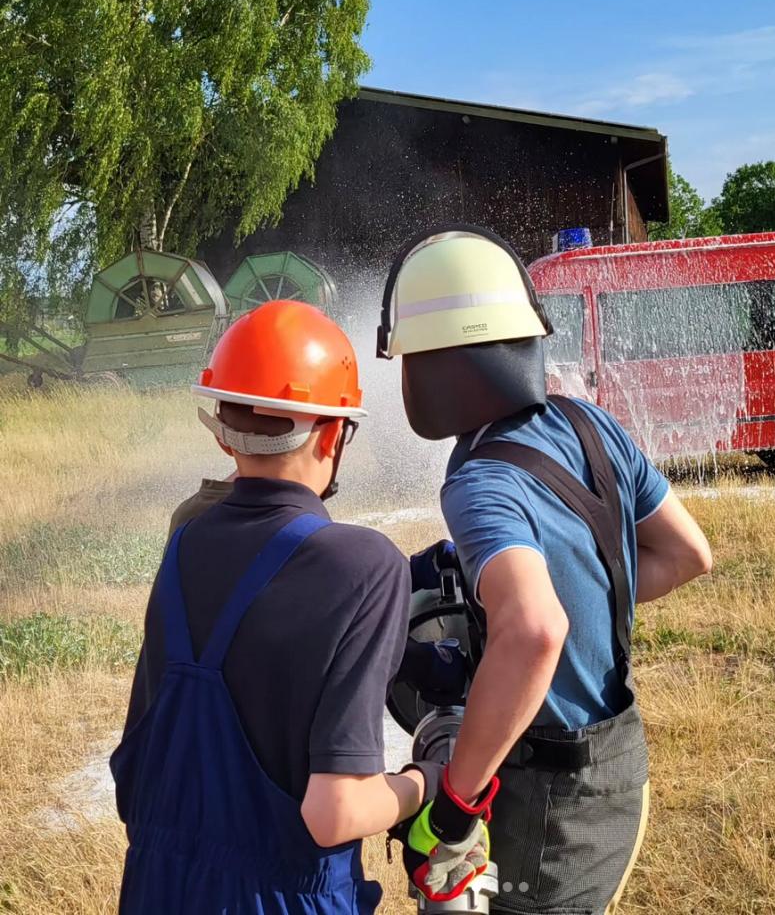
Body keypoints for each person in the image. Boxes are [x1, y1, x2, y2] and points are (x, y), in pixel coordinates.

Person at [377, 226, 713, 914]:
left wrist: (454, 807)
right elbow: (685, 556)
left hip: (549, 800)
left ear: (440, 364)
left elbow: (534, 630)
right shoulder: (590, 424)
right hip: (618, 760)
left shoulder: (477, 481)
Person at [111, 300, 443, 915]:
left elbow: (133, 783)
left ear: (224, 432)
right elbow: (334, 813)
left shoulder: (184, 543)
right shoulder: (367, 565)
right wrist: (429, 778)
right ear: (332, 433)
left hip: (153, 888)